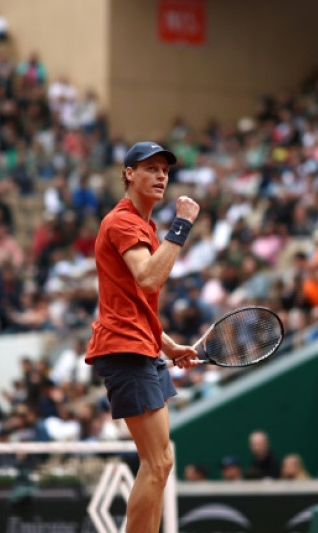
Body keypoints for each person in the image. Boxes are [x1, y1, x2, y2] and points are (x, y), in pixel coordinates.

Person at [86, 142, 199, 533]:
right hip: (125, 350)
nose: (161, 176)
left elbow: (135, 301)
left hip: (143, 347)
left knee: (162, 461)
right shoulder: (122, 222)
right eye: (150, 168)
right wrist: (182, 225)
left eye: (164, 170)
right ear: (129, 174)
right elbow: (149, 277)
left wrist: (168, 344)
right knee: (155, 463)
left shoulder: (144, 226)